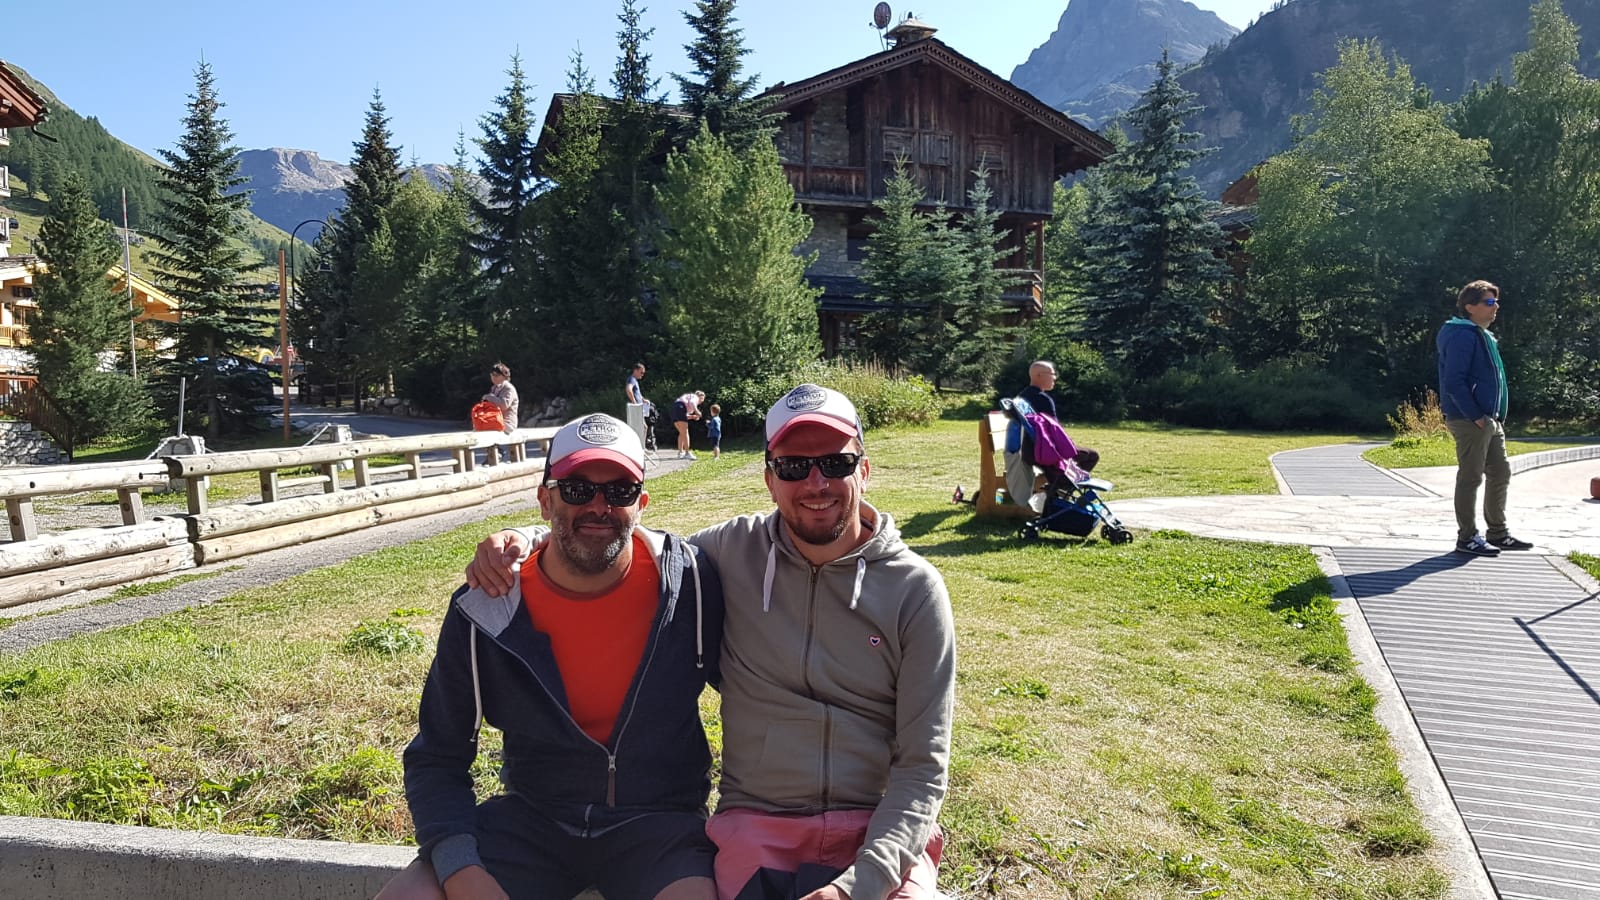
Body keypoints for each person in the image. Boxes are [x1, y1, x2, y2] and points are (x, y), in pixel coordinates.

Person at [467, 384, 956, 900]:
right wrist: (526, 538)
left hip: (876, 826)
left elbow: (923, 766)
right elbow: (615, 536)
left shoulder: (914, 590)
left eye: (836, 463)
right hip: (758, 825)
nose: (816, 483)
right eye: (793, 467)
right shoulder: (728, 553)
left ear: (864, 469)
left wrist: (861, 884)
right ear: (769, 480)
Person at [377, 412, 724, 900]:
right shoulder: (488, 606)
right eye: (577, 489)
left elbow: (759, 694)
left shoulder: (691, 583)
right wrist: (460, 869)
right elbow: (437, 756)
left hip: (660, 823)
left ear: (642, 504)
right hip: (531, 821)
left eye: (620, 491)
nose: (599, 506)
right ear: (545, 500)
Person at [1438, 280, 1533, 557]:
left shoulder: (1481, 335)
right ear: (1470, 307)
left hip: (1489, 419)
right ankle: (1467, 538)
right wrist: (1475, 415)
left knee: (1500, 472)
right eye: (1489, 302)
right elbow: (1454, 381)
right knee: (1470, 478)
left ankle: (1498, 533)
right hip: (1471, 420)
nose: (1496, 307)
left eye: (1496, 302)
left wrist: (1492, 418)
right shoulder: (1461, 335)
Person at [1004, 361, 1098, 511]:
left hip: (1030, 451)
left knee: (1076, 457)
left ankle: (1057, 489)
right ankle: (1058, 490)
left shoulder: (1022, 397)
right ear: (1039, 376)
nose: (1054, 378)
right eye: (1052, 374)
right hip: (1043, 453)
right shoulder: (1043, 399)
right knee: (1092, 455)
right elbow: (1055, 431)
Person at [483, 363, 519, 434]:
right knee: (478, 425)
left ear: (504, 376)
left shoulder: (508, 388)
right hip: (496, 421)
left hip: (507, 423)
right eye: (492, 375)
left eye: (496, 375)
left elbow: (504, 405)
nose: (493, 377)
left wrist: (489, 397)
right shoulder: (494, 388)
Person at [670, 390, 705, 460]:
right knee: (685, 432)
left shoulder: (686, 400)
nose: (701, 401)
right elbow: (692, 402)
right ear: (699, 396)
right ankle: (687, 453)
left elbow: (684, 416)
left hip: (675, 409)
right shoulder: (695, 397)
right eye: (701, 399)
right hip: (680, 408)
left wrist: (692, 416)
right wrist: (697, 411)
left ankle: (680, 452)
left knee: (682, 433)